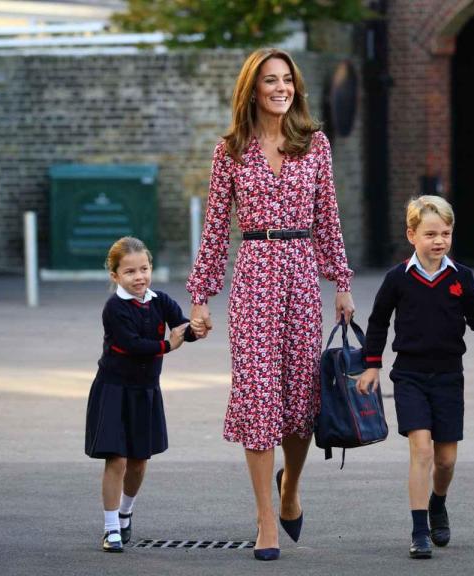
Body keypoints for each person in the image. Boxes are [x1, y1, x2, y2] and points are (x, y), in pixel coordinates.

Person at [185, 48, 355, 562]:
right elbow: (215, 229)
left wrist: (341, 282)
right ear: (252, 91)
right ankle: (264, 519)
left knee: (301, 402)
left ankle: (290, 489)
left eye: (287, 80)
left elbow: (328, 218)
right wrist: (200, 297)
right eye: (269, 81)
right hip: (254, 274)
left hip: (301, 272)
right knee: (258, 398)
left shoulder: (315, 145)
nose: (280, 88)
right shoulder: (230, 150)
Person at [357, 195, 474, 559]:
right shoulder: (396, 279)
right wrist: (371, 364)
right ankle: (419, 530)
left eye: (446, 233)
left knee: (446, 460)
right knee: (421, 449)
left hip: (450, 377)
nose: (439, 241)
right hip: (410, 375)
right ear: (412, 235)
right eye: (430, 233)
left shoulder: (461, 277)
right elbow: (377, 322)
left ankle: (438, 503)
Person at [84, 236, 198, 552]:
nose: (139, 277)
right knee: (116, 459)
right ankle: (110, 529)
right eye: (130, 271)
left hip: (145, 391)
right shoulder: (114, 308)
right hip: (114, 389)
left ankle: (125, 513)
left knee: (138, 461)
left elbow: (181, 325)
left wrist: (194, 329)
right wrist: (168, 345)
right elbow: (131, 345)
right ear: (115, 276)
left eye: (144, 269)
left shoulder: (160, 300)